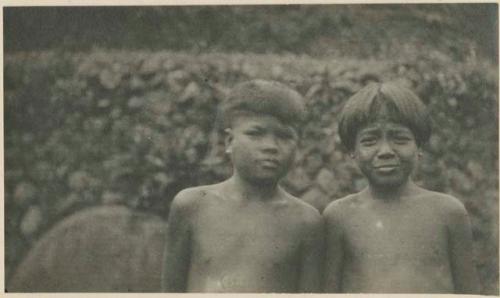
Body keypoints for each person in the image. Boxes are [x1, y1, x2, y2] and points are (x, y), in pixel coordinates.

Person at [161, 79, 324, 293]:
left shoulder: (305, 221)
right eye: (255, 133)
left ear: (298, 145)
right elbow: (170, 291)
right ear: (229, 141)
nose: (270, 146)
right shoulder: (192, 205)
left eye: (284, 136)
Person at [323, 82, 480, 294]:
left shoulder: (448, 212)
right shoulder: (339, 216)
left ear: (419, 146)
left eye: (400, 139)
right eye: (370, 141)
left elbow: (469, 292)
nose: (386, 151)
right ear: (353, 150)